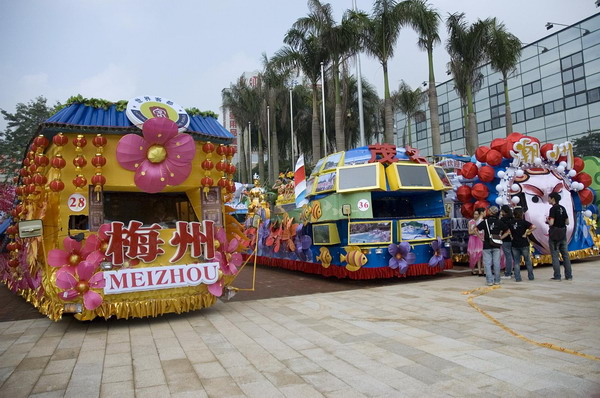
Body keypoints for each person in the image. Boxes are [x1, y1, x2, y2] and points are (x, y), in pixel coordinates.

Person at [477, 206, 509, 286]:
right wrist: (500, 238)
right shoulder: (499, 222)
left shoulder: (485, 221)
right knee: (497, 263)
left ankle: (489, 281)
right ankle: (497, 280)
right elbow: (508, 231)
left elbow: (475, 229)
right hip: (496, 245)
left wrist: (480, 237)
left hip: (486, 244)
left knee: (487, 264)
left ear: (490, 212)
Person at [546, 192, 572, 281]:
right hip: (563, 233)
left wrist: (547, 220)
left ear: (553, 199)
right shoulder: (563, 208)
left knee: (555, 255)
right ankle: (569, 276)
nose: (548, 199)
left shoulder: (553, 209)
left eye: (549, 198)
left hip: (554, 234)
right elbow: (567, 222)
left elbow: (552, 223)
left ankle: (557, 276)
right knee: (565, 255)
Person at [509, 207, 536, 281]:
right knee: (527, 260)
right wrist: (526, 233)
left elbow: (508, 231)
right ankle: (531, 276)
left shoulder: (511, 222)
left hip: (514, 243)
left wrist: (511, 236)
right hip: (524, 243)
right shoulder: (524, 222)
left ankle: (518, 278)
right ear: (521, 214)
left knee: (516, 262)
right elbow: (534, 227)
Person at [468, 208, 485, 276]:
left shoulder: (481, 221)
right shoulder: (470, 222)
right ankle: (472, 269)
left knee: (479, 254)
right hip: (473, 239)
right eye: (474, 214)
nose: (475, 215)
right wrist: (474, 231)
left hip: (479, 238)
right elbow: (469, 232)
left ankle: (480, 270)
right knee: (472, 254)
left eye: (477, 214)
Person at [500, 205, 515, 279]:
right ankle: (514, 271)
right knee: (514, 256)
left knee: (508, 256)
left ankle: (508, 273)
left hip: (505, 239)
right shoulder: (513, 218)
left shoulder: (503, 219)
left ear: (503, 211)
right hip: (513, 239)